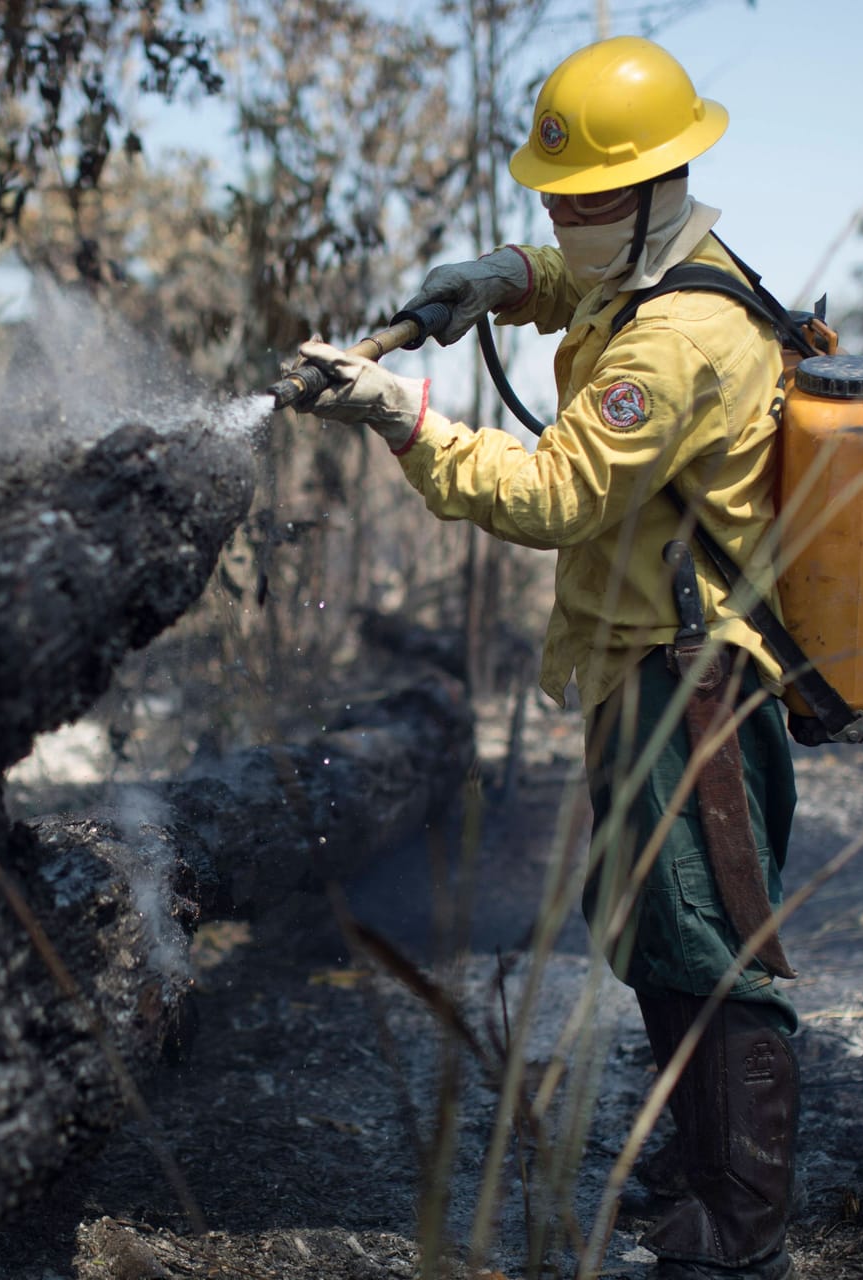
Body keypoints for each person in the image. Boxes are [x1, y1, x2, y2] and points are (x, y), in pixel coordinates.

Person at [296, 36, 801, 1280]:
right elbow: (567, 283)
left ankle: (741, 1235)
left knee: (709, 940)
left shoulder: (676, 336)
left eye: (586, 199)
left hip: (693, 679)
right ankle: (699, 1183)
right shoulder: (647, 272)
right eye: (553, 199)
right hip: (646, 661)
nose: (565, 218)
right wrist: (488, 281)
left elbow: (556, 492)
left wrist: (404, 417)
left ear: (656, 186)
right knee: (651, 929)